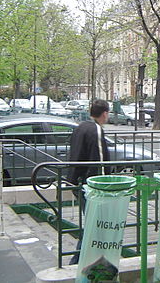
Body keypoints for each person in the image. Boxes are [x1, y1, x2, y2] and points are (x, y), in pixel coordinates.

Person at [67, 99, 111, 265]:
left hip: (76, 181)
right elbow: (99, 163)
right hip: (89, 185)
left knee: (93, 222)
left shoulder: (81, 127)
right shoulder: (96, 131)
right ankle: (77, 259)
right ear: (105, 113)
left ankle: (89, 257)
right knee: (93, 223)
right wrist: (103, 187)